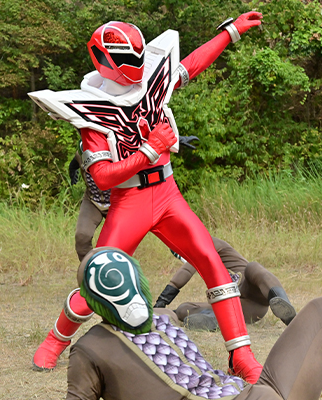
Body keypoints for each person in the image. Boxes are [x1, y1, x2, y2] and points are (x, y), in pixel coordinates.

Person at [28, 13, 265, 382]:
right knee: (100, 278)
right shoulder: (90, 109)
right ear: (103, 59)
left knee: (212, 263)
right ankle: (54, 340)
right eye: (126, 58)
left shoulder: (153, 80)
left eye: (137, 56)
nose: (135, 65)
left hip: (167, 193)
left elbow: (191, 65)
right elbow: (102, 175)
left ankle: (242, 356)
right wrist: (149, 151)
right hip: (130, 200)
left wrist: (230, 32)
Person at [67, 247, 322, 400]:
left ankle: (269, 299)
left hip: (250, 392)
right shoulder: (92, 349)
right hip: (249, 396)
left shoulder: (157, 320)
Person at [69, 135, 199, 262]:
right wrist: (73, 171)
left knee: (138, 234)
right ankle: (89, 270)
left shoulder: (118, 146)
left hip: (121, 201)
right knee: (82, 237)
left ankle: (181, 250)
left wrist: (177, 139)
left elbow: (147, 139)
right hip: (93, 201)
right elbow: (75, 161)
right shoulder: (83, 149)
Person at [154, 237, 297, 331]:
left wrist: (162, 300)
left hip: (251, 292)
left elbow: (186, 271)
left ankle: (283, 305)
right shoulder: (200, 259)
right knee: (183, 309)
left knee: (253, 267)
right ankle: (215, 319)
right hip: (241, 307)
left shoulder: (209, 243)